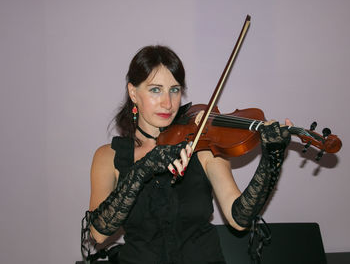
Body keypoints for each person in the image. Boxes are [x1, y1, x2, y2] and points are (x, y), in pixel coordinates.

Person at [86, 45, 292, 264]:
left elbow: (239, 219)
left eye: (174, 90)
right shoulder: (108, 156)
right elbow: (99, 233)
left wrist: (271, 160)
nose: (168, 103)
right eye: (156, 90)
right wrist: (141, 170)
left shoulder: (203, 145)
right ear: (133, 92)